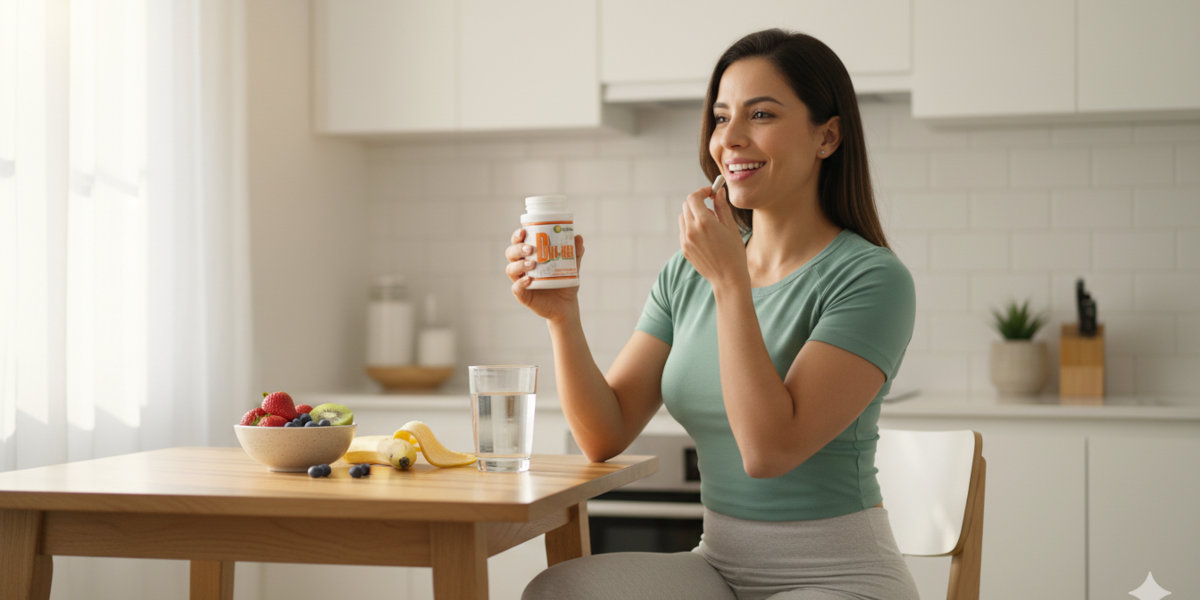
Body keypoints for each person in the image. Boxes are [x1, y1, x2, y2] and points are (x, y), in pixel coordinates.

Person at [505, 28, 918, 600]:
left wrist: (730, 280)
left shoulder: (872, 279)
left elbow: (768, 452)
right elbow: (604, 434)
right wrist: (561, 316)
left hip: (841, 575)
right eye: (721, 118)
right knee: (561, 591)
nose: (732, 139)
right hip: (719, 565)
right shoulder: (688, 272)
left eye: (762, 115)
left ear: (827, 136)